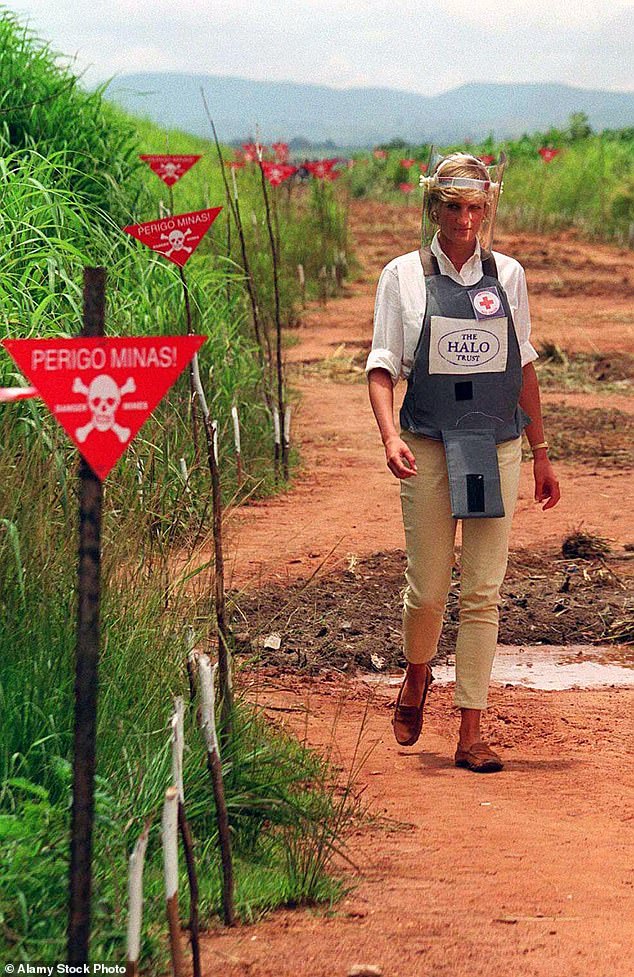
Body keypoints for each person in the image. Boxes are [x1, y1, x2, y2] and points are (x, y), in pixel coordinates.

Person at [366, 152, 560, 773]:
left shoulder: (509, 277)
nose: (465, 220)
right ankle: (417, 673)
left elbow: (522, 366)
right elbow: (381, 367)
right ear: (433, 208)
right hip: (425, 444)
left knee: (482, 590)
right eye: (453, 207)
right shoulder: (401, 276)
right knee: (428, 589)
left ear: (488, 209)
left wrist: (541, 452)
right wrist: (388, 436)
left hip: (492, 446)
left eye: (476, 208)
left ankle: (471, 730)